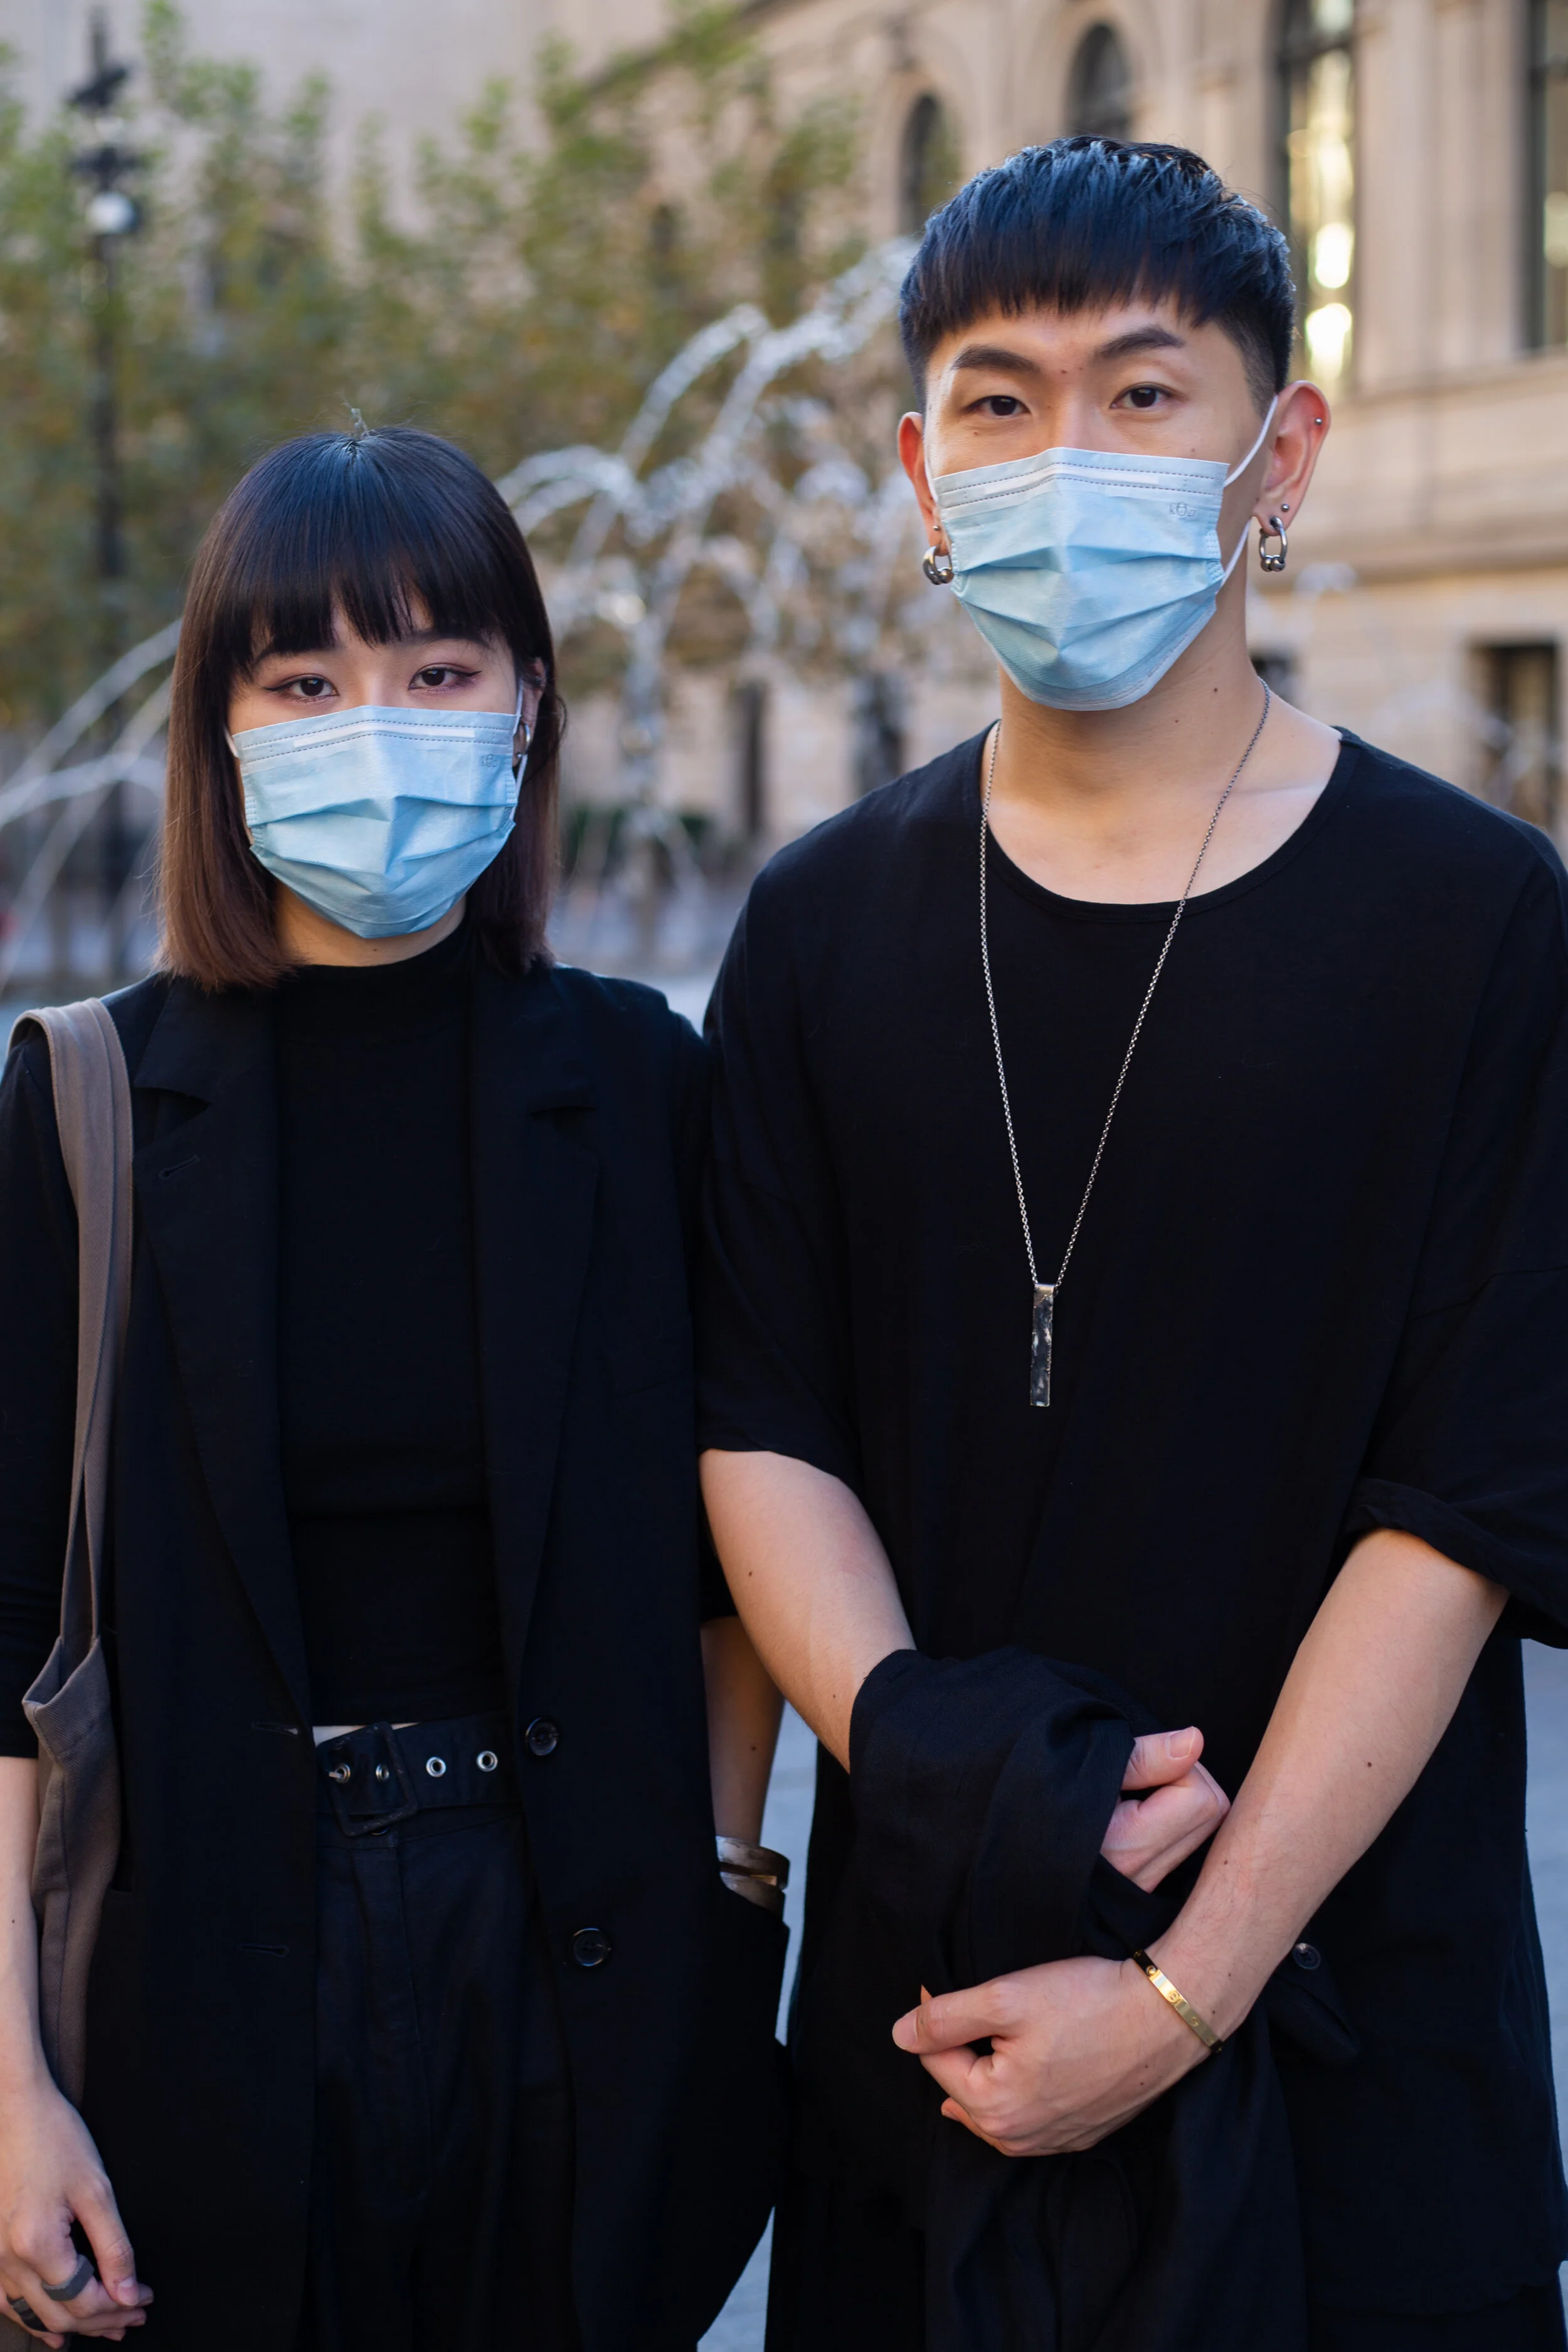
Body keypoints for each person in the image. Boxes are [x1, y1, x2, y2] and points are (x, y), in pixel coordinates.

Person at [698, 139, 1568, 2350]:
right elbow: (756, 1418)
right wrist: (946, 1760)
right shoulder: (814, 924)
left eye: (1141, 392)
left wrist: (1189, 1982)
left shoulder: (1475, 920)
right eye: (998, 401)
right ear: (917, 468)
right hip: (937, 2008)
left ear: (1279, 451)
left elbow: (1466, 1504)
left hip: (1351, 2014)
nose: (1060, 454)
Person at [0, 424, 787, 2351]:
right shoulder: (87, 1096)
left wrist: (715, 1898)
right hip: (194, 1953)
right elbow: (6, 1648)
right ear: (227, 726)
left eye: (438, 670)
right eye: (309, 679)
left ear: (526, 703)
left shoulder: (640, 1085)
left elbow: (730, 1566)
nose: (380, 720)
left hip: (571, 1943)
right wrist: (8, 2093)